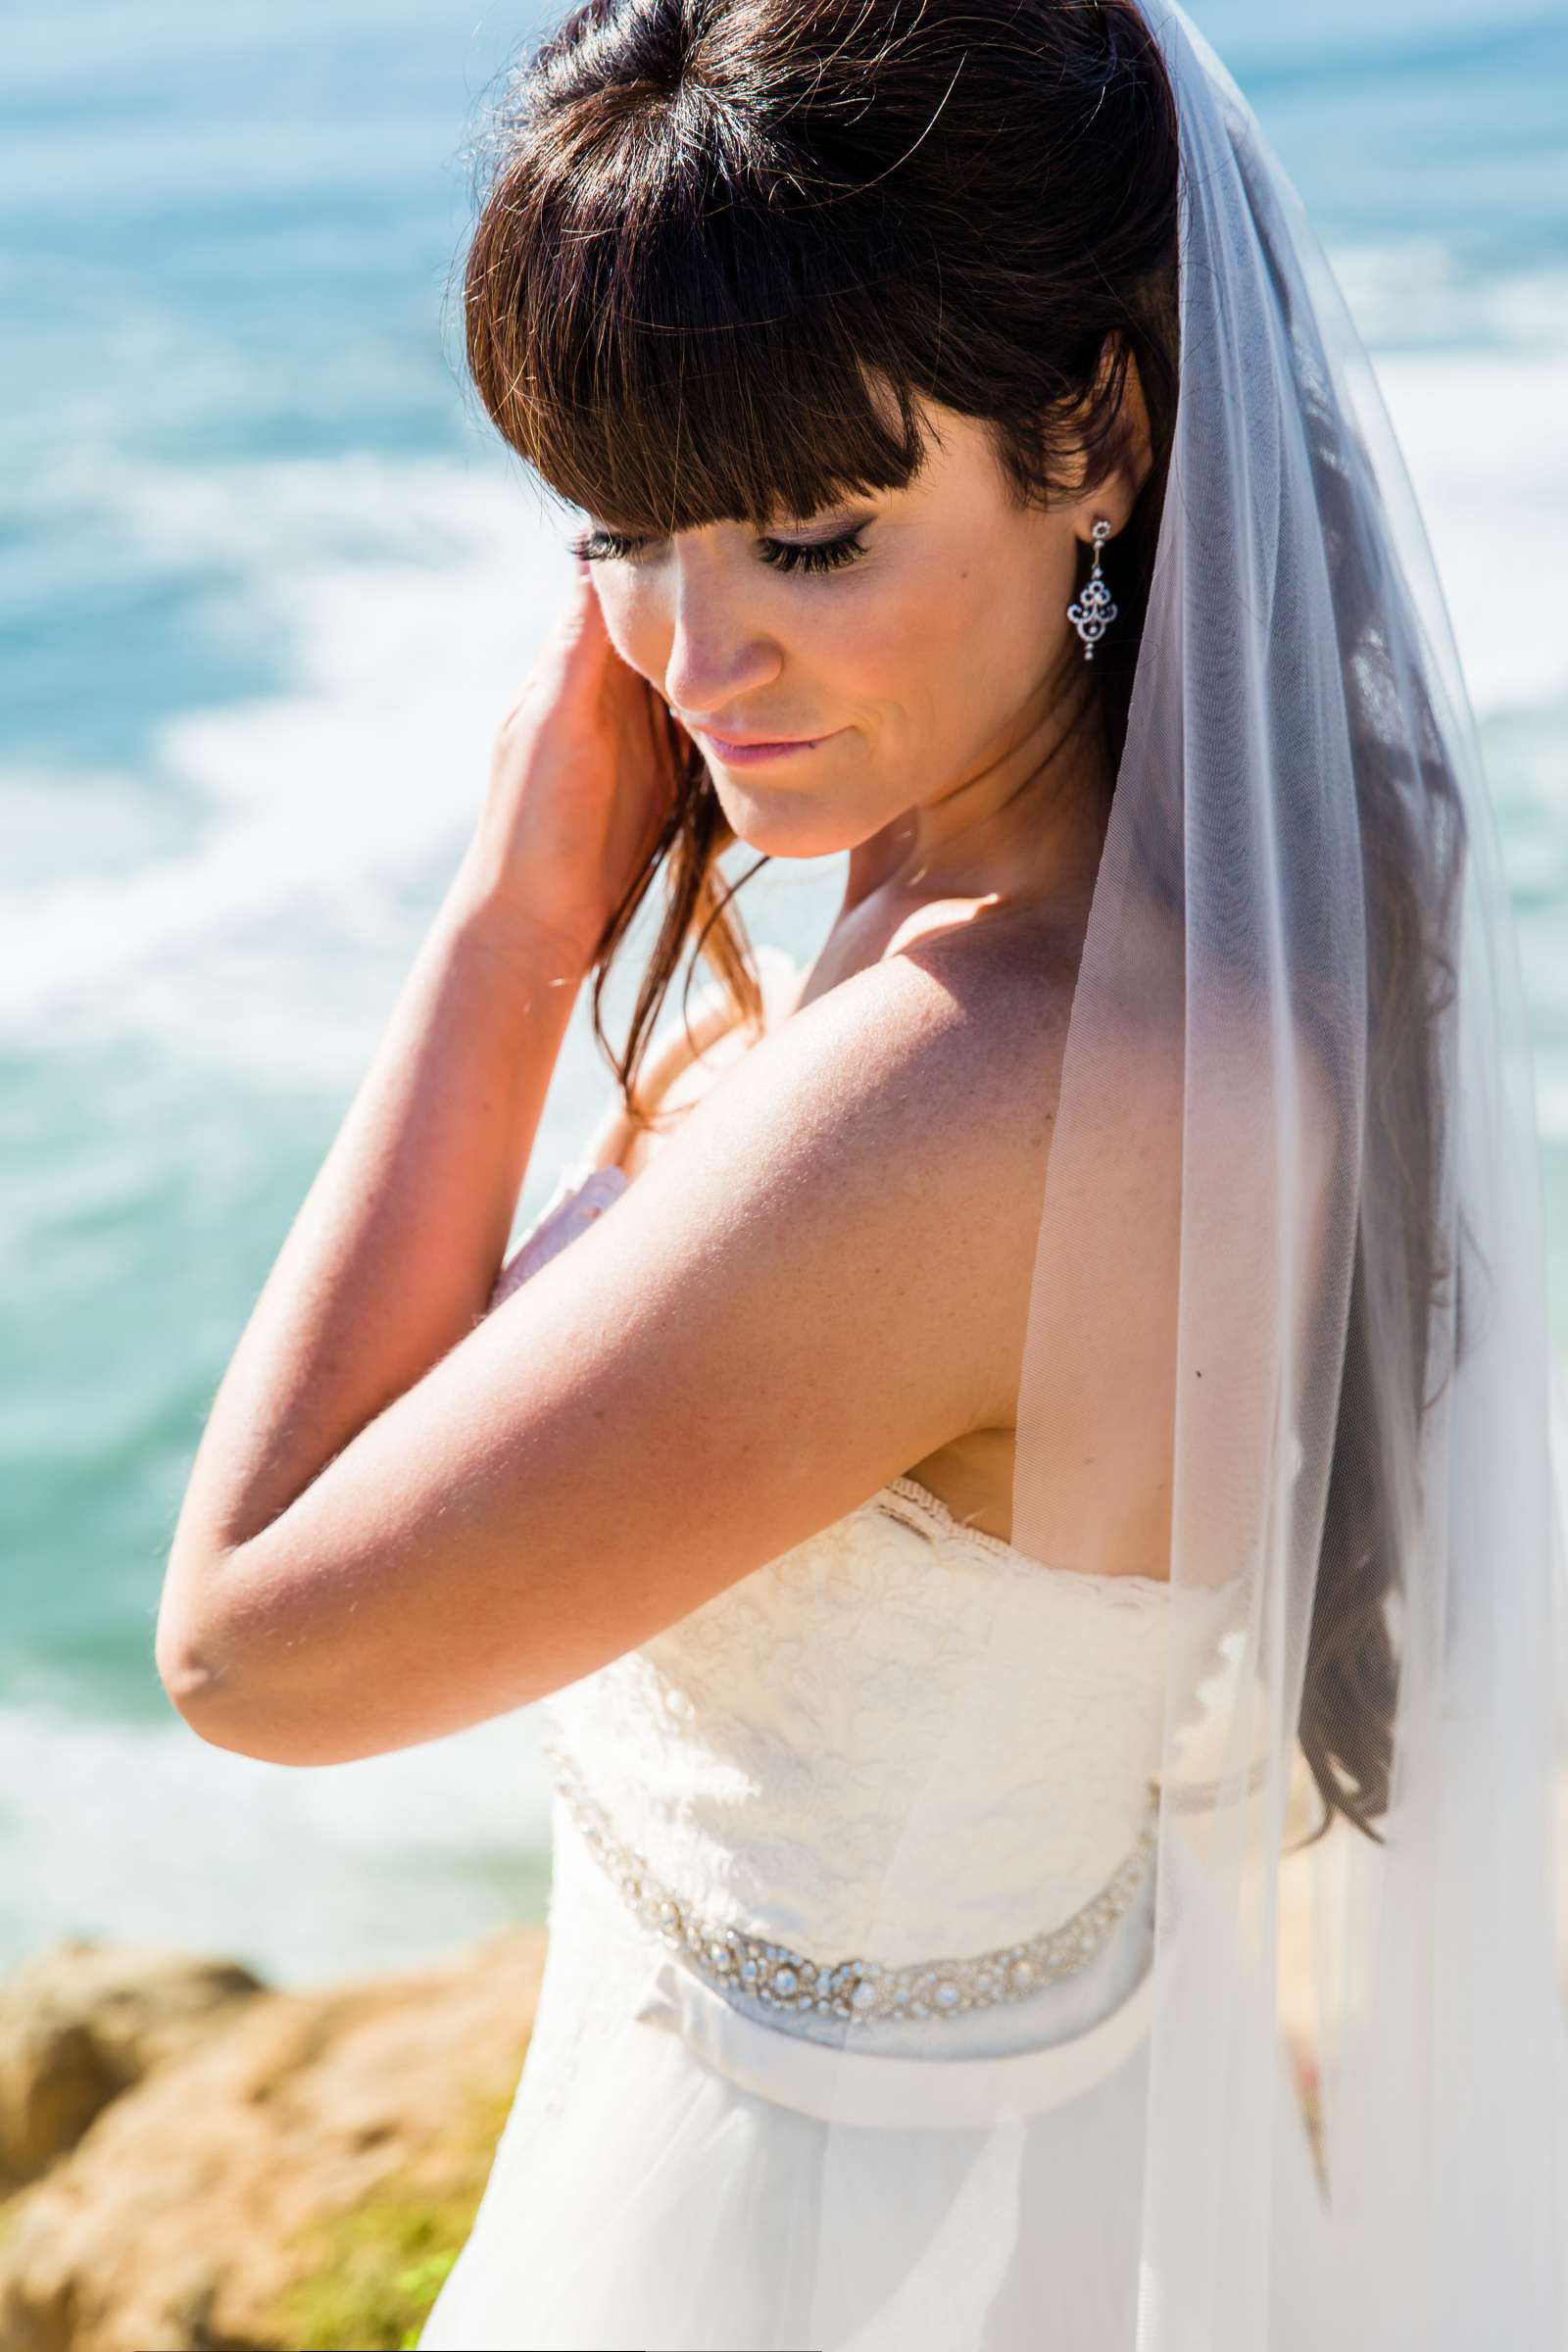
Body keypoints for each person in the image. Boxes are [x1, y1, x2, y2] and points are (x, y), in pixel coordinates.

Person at [156, 1, 1568, 2344]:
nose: (695, 657)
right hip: (1009, 2145)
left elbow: (244, 1652)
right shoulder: (1176, 923)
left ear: (1093, 439)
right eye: (621, 530)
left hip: (786, 2238)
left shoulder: (965, 1078)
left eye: (811, 533)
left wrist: (513, 937)